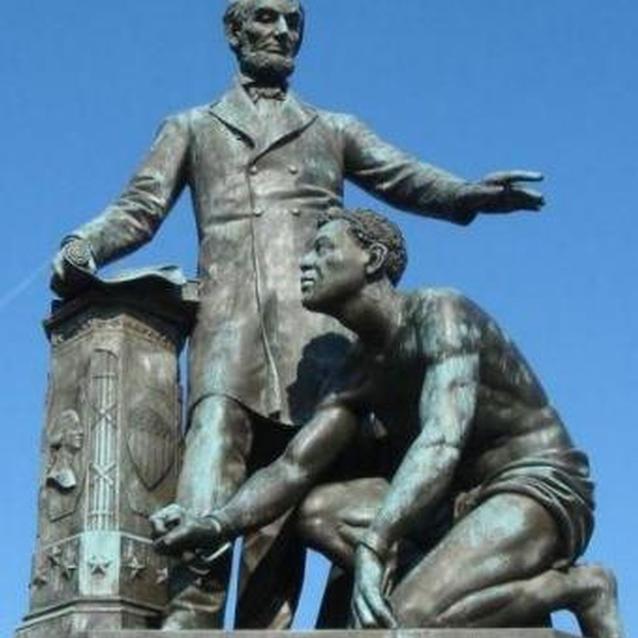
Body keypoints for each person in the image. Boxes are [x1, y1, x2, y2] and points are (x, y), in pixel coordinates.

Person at [51, 0, 545, 629]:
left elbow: (400, 175)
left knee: (292, 499)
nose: (282, 32)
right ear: (234, 32)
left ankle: (269, 629)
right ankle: (192, 618)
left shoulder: (330, 127)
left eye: (294, 23)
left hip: (320, 345)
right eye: (266, 18)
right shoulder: (193, 127)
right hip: (228, 339)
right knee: (207, 474)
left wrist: (462, 195)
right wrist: (85, 244)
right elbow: (140, 208)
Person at [152, 208, 623, 637]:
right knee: (317, 511)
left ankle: (576, 588)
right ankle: (462, 585)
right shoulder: (359, 368)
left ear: (372, 259)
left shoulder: (442, 313)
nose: (305, 263)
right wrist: (214, 524)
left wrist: (377, 544)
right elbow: (294, 468)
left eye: (324, 249)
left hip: (533, 488)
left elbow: (442, 440)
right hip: (448, 507)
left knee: (406, 622)